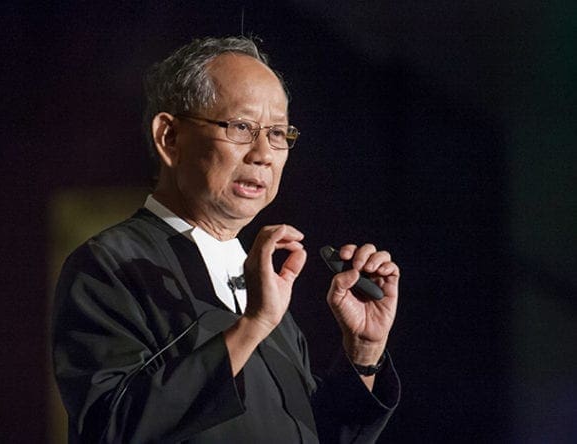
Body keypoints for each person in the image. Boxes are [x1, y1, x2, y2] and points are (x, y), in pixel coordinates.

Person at [53, 36, 401, 443]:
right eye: (241, 127)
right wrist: (252, 326)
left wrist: (362, 354)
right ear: (169, 138)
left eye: (277, 133)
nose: (264, 154)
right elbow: (111, 428)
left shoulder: (260, 285)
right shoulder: (110, 265)